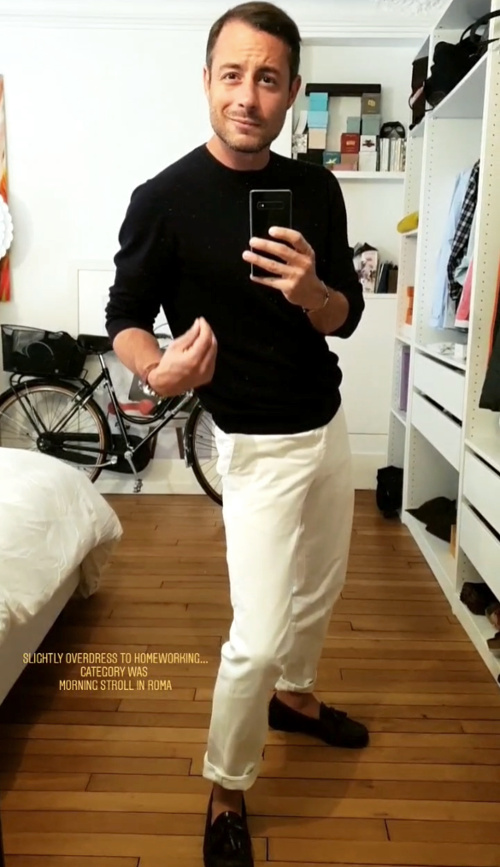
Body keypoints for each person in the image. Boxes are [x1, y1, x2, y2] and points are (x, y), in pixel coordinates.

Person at [105, 3, 369, 865]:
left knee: (319, 592)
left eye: (268, 78)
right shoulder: (164, 200)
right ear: (207, 80)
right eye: (233, 74)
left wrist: (313, 292)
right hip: (253, 445)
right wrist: (157, 370)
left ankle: (296, 699)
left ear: (292, 92)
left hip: (327, 424)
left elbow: (346, 316)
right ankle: (226, 785)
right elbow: (124, 316)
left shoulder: (318, 191)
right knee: (255, 636)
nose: (248, 96)